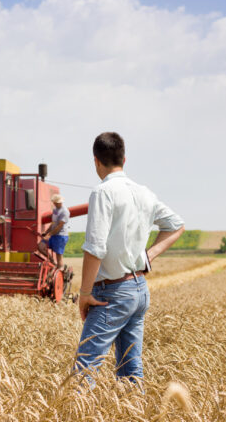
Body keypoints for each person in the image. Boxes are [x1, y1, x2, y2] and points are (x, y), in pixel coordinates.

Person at [75, 132, 184, 387]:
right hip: (138, 291)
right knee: (131, 369)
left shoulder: (103, 192)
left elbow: (94, 248)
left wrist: (84, 292)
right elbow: (176, 226)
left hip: (111, 293)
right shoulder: (144, 192)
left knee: (83, 372)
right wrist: (148, 256)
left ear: (96, 161)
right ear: (124, 158)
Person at [39, 194, 70, 270]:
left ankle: (60, 270)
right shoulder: (55, 210)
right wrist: (46, 232)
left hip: (61, 235)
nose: (55, 204)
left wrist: (49, 235)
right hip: (53, 234)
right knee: (40, 246)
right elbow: (53, 223)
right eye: (54, 202)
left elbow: (59, 226)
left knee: (59, 255)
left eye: (56, 202)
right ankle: (53, 262)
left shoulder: (65, 212)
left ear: (60, 202)